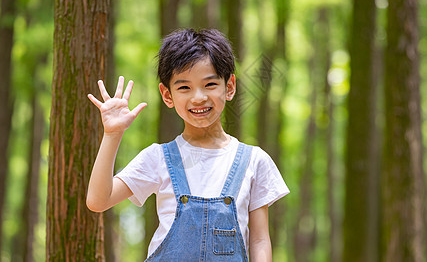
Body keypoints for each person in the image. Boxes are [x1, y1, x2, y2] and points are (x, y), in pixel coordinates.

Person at [86, 28, 289, 261]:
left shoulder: (255, 161)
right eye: (184, 87)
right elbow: (98, 201)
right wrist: (112, 135)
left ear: (229, 86)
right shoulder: (158, 158)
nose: (198, 97)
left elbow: (260, 240)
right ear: (167, 95)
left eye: (210, 84)